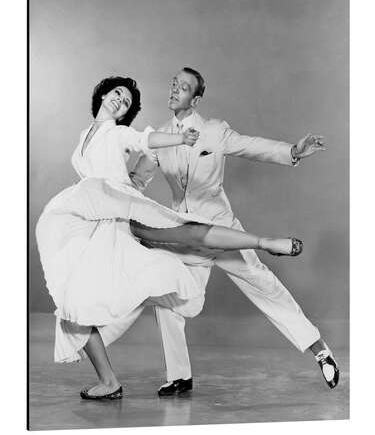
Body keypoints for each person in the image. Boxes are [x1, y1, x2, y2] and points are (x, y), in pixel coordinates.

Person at [36, 76, 303, 400]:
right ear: (103, 94)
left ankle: (265, 243)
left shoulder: (118, 132)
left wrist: (178, 140)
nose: (121, 100)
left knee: (183, 229)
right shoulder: (83, 137)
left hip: (120, 209)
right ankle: (109, 381)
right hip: (92, 217)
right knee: (71, 303)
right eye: (118, 94)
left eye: (127, 101)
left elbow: (144, 140)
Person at [129, 67, 339, 396]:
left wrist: (293, 152)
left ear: (195, 99)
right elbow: (137, 181)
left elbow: (252, 146)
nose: (174, 91)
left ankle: (321, 351)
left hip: (223, 232)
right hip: (185, 238)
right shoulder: (159, 137)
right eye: (173, 85)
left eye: (182, 88)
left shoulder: (215, 131)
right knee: (169, 298)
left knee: (266, 287)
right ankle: (180, 376)